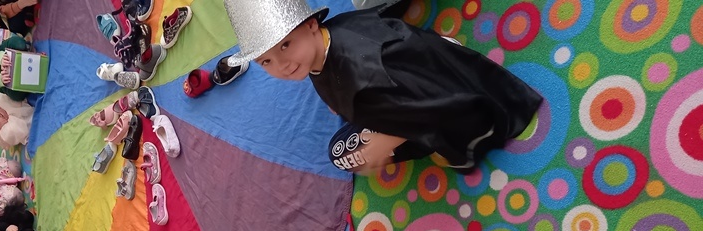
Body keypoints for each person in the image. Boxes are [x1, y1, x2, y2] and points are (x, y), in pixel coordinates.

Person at [222, 0, 543, 175]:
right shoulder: (328, 35)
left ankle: (457, 143)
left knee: (342, 155)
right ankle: (444, 50)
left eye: (285, 45)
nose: (282, 65)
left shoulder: (364, 81)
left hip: (439, 105)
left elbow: (420, 111)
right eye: (266, 61)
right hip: (418, 62)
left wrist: (383, 143)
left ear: (310, 24)